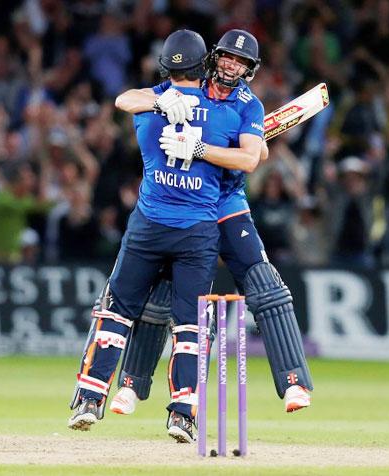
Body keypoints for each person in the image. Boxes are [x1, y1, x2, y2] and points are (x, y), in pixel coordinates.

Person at [108, 29, 313, 424]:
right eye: (227, 58)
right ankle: (131, 385)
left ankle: (293, 381)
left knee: (264, 284)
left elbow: (252, 159)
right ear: (214, 58)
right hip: (180, 205)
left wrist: (213, 149)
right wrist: (158, 98)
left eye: (241, 62)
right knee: (160, 296)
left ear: (249, 70)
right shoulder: (186, 85)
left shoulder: (248, 105)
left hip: (226, 204)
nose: (231, 65)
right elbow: (127, 99)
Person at [68, 30, 245, 443]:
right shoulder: (224, 111)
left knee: (117, 312)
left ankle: (89, 399)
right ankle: (182, 414)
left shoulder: (149, 105)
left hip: (148, 225)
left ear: (165, 68)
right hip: (197, 232)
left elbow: (123, 98)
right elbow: (254, 155)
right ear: (204, 66)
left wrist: (159, 99)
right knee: (191, 325)